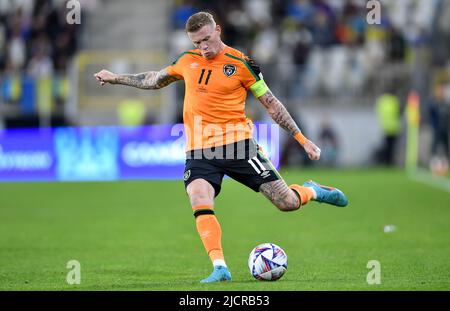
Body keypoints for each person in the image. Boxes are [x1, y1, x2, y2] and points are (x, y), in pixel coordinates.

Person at [94, 12, 348, 283]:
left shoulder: (242, 63)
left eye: (205, 39)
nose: (202, 47)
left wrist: (302, 139)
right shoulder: (186, 61)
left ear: (218, 30)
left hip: (238, 146)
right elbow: (155, 79)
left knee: (286, 203)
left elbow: (272, 105)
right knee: (199, 198)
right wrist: (116, 78)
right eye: (196, 42)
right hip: (200, 150)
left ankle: (313, 190)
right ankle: (220, 267)